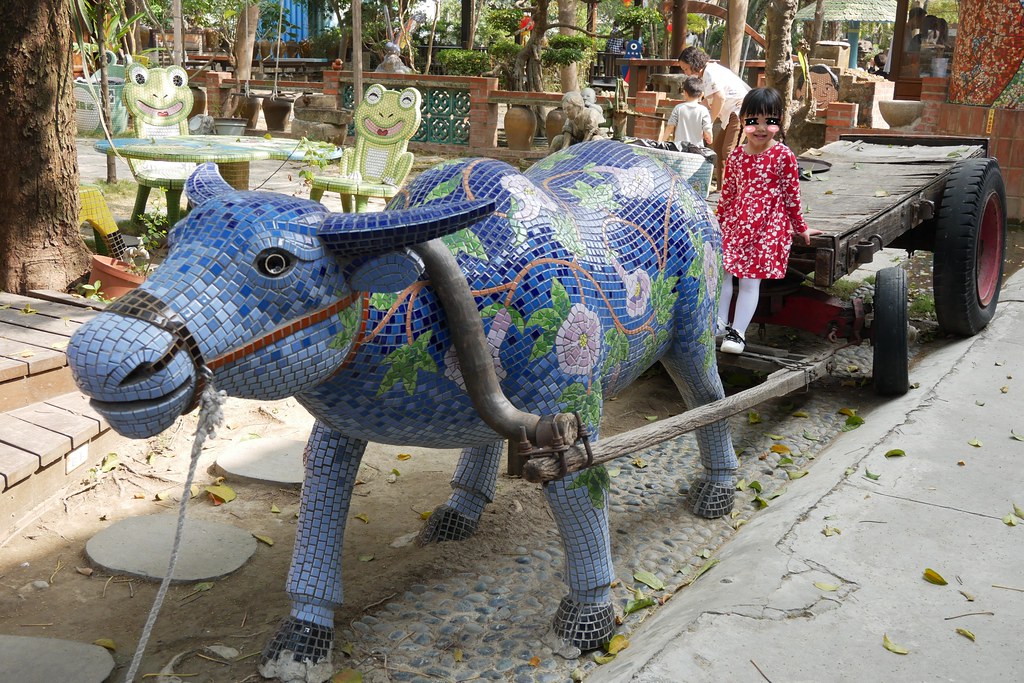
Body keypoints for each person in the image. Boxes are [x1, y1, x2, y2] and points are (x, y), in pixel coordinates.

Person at [715, 88, 822, 354]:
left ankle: (737, 333)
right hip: (737, 224)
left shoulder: (783, 155)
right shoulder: (737, 157)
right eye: (753, 121)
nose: (761, 128)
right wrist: (717, 224)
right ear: (742, 121)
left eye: (769, 121)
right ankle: (716, 324)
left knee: (750, 280)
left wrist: (800, 228)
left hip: (768, 227)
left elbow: (791, 196)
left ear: (779, 121)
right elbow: (727, 195)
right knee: (723, 274)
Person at [676, 46, 750, 190]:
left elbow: (720, 98)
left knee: (729, 152)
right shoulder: (706, 74)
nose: (685, 73)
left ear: (693, 64)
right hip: (730, 115)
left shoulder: (709, 72)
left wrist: (708, 124)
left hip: (740, 111)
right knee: (718, 149)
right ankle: (722, 191)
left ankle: (739, 191)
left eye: (685, 69)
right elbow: (707, 102)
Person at [661, 76, 713, 147]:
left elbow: (670, 126)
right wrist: (709, 137)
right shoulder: (703, 110)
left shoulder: (678, 108)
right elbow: (707, 129)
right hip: (696, 149)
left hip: (679, 148)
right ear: (701, 94)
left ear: (684, 93)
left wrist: (662, 141)